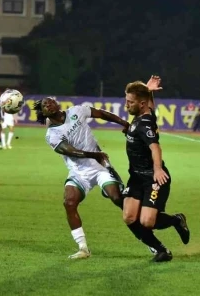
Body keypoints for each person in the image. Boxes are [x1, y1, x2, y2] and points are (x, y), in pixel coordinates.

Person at [33, 97, 129, 259]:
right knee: (69, 202)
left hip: (99, 167)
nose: (48, 104)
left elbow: (102, 114)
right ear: (43, 112)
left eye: (50, 101)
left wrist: (124, 123)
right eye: (44, 105)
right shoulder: (52, 134)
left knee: (117, 198)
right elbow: (69, 151)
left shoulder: (76, 111)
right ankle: (83, 249)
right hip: (79, 172)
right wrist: (94, 154)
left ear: (57, 104)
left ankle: (145, 231)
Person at [123, 76, 190, 263]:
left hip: (153, 178)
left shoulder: (144, 124)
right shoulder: (145, 114)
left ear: (141, 104)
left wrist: (158, 170)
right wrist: (148, 89)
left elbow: (155, 147)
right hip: (136, 178)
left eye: (130, 102)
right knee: (129, 217)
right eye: (126, 100)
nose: (126, 105)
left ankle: (176, 220)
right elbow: (149, 104)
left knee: (146, 221)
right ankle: (161, 251)